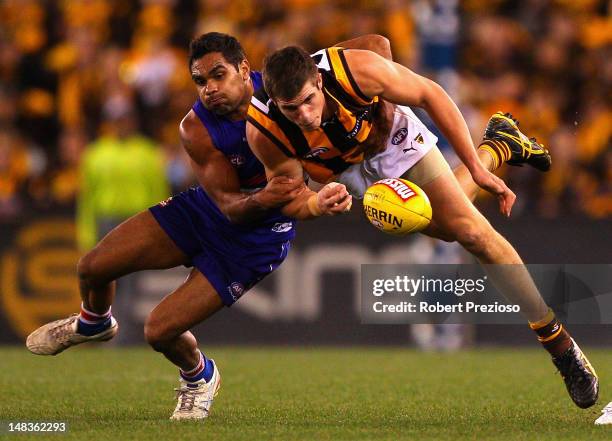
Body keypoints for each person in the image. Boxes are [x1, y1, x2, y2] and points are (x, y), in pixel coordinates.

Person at [24, 33, 390, 421]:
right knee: (92, 267)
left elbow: (377, 45)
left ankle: (200, 376)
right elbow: (231, 207)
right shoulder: (196, 127)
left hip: (257, 239)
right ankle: (94, 321)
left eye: (218, 75)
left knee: (159, 331)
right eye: (200, 81)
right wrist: (267, 196)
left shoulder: (284, 86)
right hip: (213, 210)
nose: (210, 89)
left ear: (246, 70)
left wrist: (383, 106)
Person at [245, 45, 598, 409]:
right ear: (274, 102)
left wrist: (474, 169)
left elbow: (431, 94)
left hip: (392, 139)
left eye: (308, 100)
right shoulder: (264, 132)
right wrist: (316, 204)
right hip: (346, 172)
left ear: (318, 80)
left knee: (473, 233)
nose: (304, 115)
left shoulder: (356, 71)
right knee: (447, 227)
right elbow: (289, 195)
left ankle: (560, 347)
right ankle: (499, 145)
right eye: (290, 108)